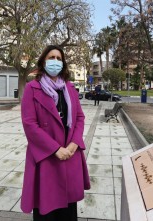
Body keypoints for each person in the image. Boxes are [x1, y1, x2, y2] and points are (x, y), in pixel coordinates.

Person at [20, 45, 90, 221]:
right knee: (47, 208)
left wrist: (74, 143)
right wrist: (55, 149)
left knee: (68, 210)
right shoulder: (32, 88)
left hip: (70, 155)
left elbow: (79, 117)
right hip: (47, 158)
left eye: (59, 59)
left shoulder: (69, 88)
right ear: (44, 61)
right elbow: (30, 124)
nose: (55, 62)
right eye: (51, 58)